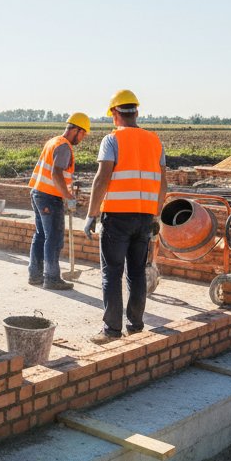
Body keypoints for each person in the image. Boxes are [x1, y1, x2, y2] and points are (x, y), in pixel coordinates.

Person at [83, 89, 167, 343]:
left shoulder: (112, 140)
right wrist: (156, 216)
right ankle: (136, 325)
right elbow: (163, 184)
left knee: (112, 273)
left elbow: (102, 179)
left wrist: (91, 215)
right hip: (145, 218)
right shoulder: (155, 141)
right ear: (136, 113)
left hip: (117, 218)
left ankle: (111, 330)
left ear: (114, 114)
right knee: (137, 272)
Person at [27, 113, 90, 290]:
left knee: (41, 235)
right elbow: (56, 173)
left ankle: (35, 275)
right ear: (77, 130)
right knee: (53, 238)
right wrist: (68, 196)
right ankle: (52, 278)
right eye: (83, 134)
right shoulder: (64, 146)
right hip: (49, 197)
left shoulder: (53, 141)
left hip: (37, 193)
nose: (82, 139)